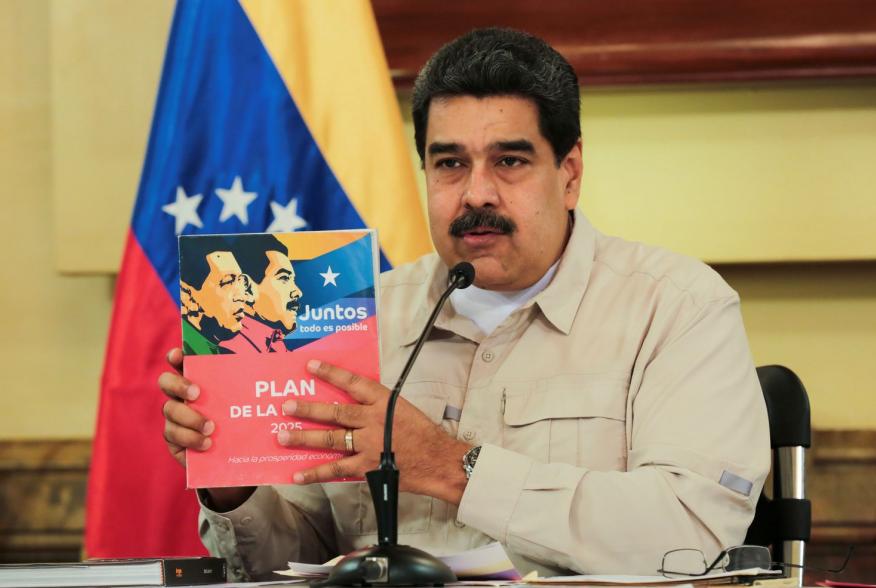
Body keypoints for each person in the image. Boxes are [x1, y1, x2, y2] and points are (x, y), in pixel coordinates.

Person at [160, 28, 770, 580]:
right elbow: (290, 560)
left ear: (570, 172)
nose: (477, 193)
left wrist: (451, 467)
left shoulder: (676, 308)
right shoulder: (355, 316)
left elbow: (691, 538)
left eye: (509, 160)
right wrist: (233, 487)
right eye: (449, 163)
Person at [221, 235, 302, 353]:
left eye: (292, 280)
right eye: (284, 278)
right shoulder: (227, 350)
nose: (298, 292)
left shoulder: (278, 347)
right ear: (247, 288)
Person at [179, 237, 249, 355]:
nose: (242, 296)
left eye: (240, 281)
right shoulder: (190, 352)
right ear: (189, 296)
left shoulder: (223, 355)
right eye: (227, 282)